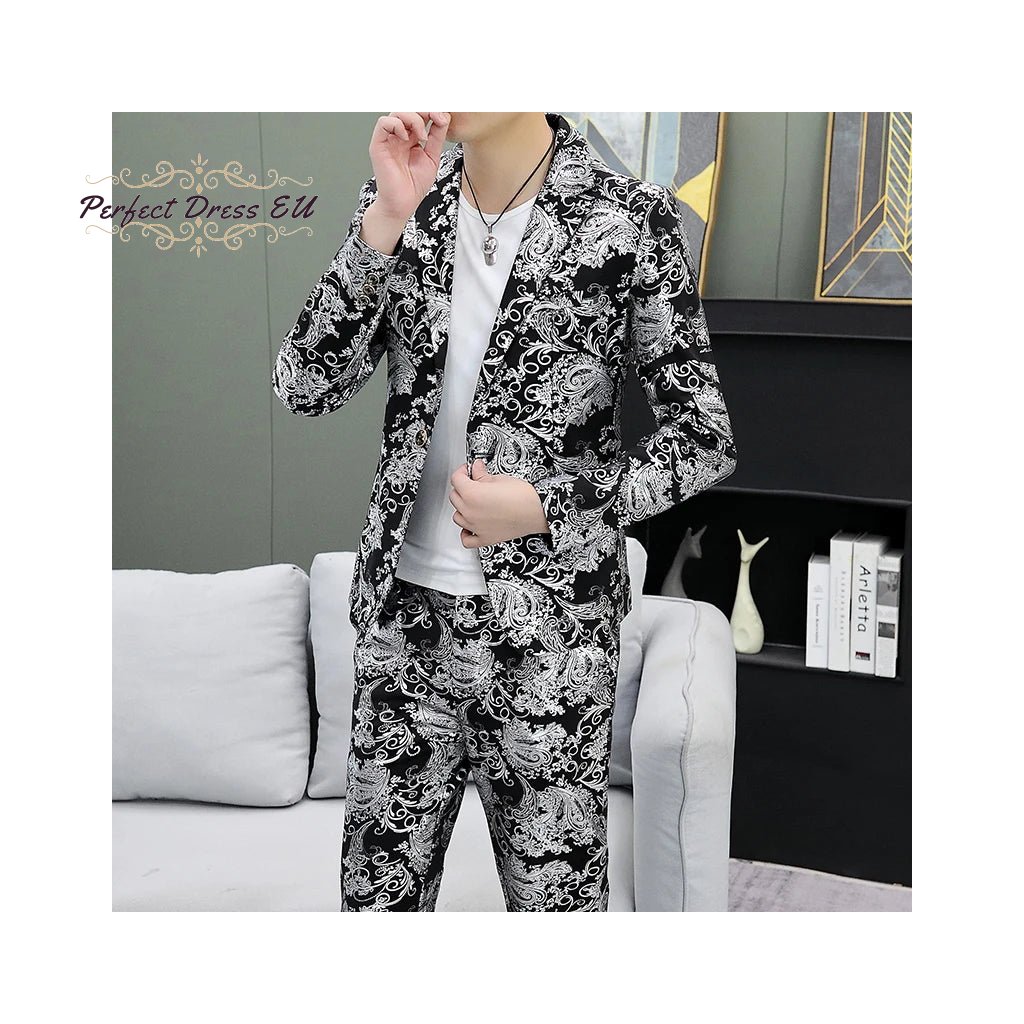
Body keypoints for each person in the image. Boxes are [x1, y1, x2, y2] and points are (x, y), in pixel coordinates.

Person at [272, 111, 739, 911]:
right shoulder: (402, 205)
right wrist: (384, 220)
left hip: (550, 648)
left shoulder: (628, 218)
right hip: (402, 632)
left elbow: (703, 439)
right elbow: (304, 385)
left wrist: (548, 506)